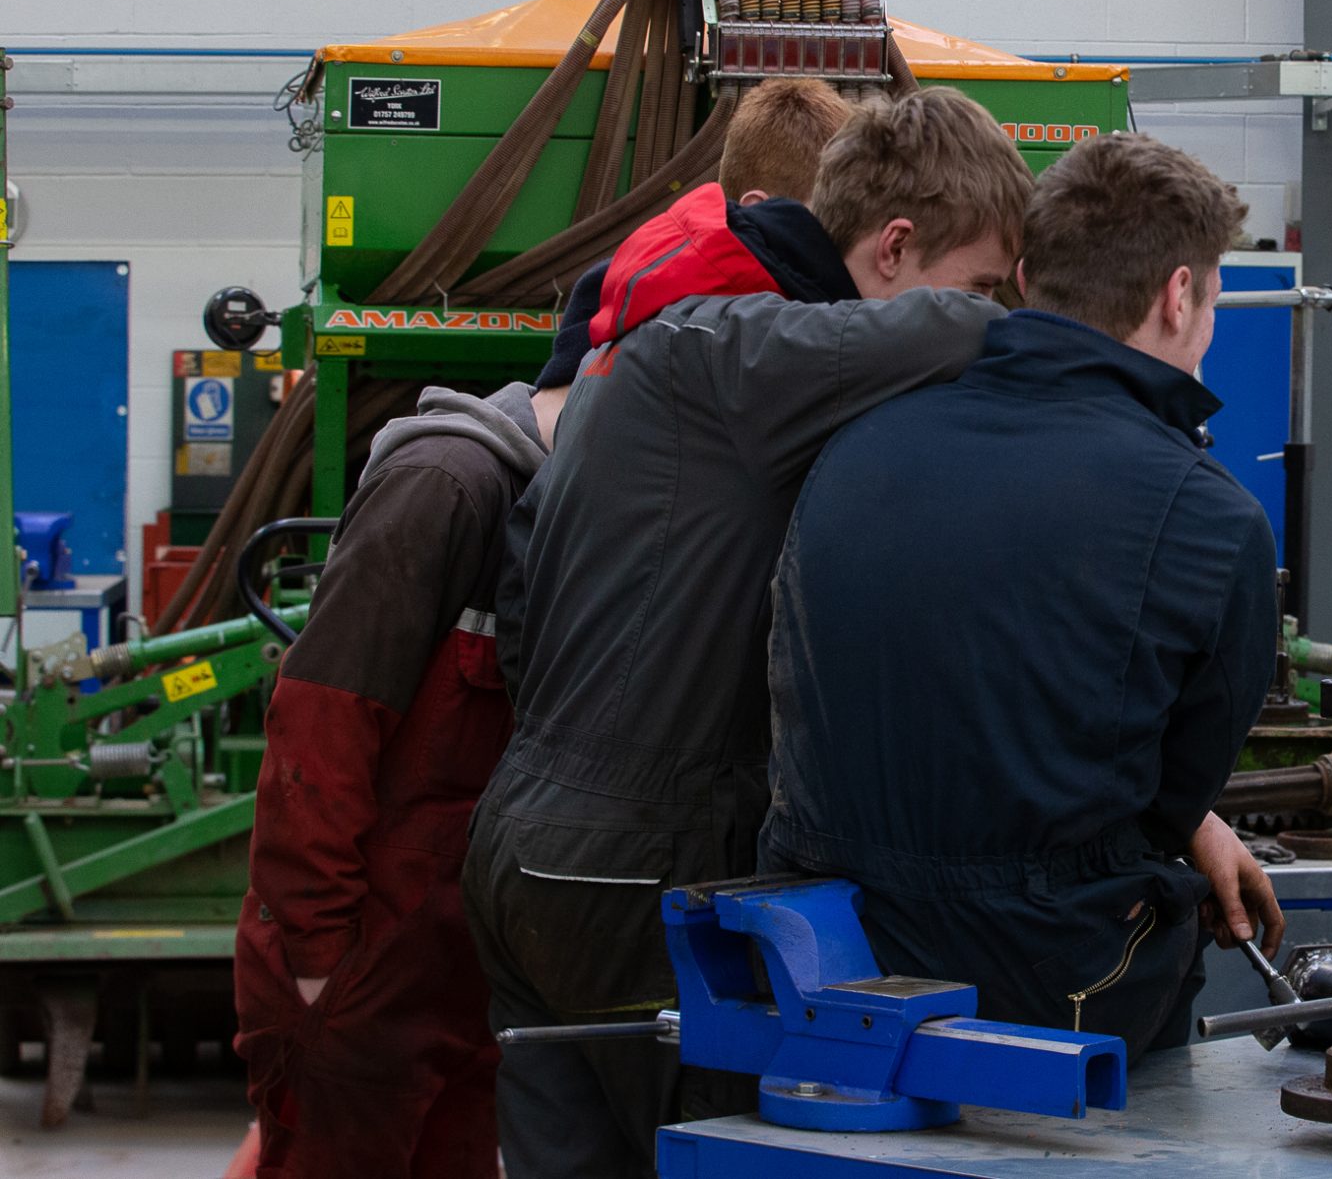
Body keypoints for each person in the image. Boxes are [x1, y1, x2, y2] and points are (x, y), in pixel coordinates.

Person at [466, 87, 1031, 1177]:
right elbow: (951, 326)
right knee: (714, 1152)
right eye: (977, 268)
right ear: (894, 243)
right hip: (637, 867)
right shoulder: (743, 348)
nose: (981, 297)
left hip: (525, 841)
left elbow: (528, 599)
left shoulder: (639, 348)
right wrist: (1051, 317)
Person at [761, 131, 1282, 1053]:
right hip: (1047, 980)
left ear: (1031, 273)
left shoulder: (858, 441)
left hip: (822, 959)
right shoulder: (1210, 520)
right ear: (1178, 294)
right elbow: (1170, 801)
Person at [232, 384, 545, 1178]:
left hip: (466, 983)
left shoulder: (560, 513)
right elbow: (318, 735)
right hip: (364, 983)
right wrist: (317, 966)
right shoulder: (444, 485)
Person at [530, 75, 853, 447]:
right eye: (828, 225)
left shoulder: (627, 287)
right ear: (759, 209)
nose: (840, 248)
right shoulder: (713, 335)